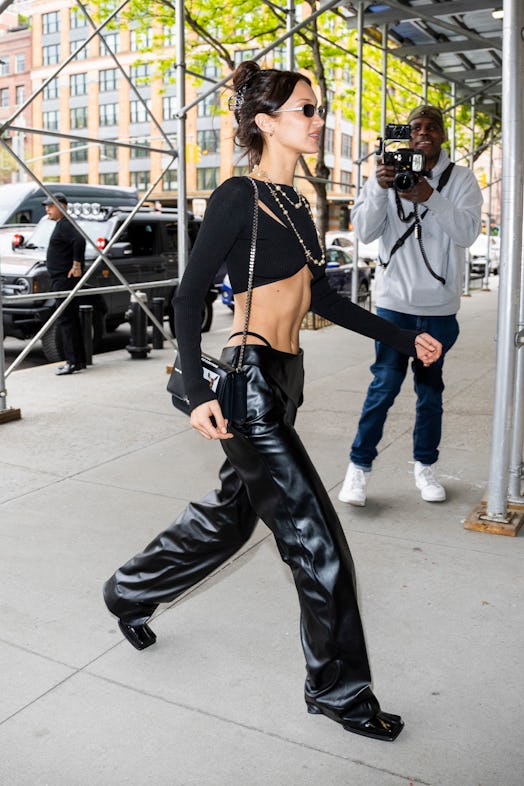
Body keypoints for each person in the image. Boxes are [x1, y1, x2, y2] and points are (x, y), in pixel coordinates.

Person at [103, 62, 442, 742]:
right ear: (265, 122)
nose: (318, 121)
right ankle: (339, 693)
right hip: (248, 384)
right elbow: (189, 296)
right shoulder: (240, 196)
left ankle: (128, 590)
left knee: (231, 520)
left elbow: (320, 300)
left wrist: (402, 339)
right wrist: (199, 394)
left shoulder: (296, 205)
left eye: (317, 110)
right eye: (305, 111)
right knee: (319, 546)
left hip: (285, 382)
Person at [339, 105, 482, 507]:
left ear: (442, 135)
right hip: (393, 305)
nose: (423, 134)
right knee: (383, 387)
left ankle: (425, 466)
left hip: (438, 308)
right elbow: (365, 231)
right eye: (416, 128)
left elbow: (468, 232)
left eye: (431, 127)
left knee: (430, 392)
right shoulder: (383, 172)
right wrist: (383, 188)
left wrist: (430, 197)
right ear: (408, 135)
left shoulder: (461, 179)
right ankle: (358, 469)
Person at [43, 192, 86, 376]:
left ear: (62, 206)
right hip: (62, 279)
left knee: (66, 321)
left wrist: (77, 265)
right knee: (71, 320)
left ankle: (72, 361)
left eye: (51, 206)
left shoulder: (66, 224)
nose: (47, 209)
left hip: (63, 280)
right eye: (46, 206)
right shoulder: (63, 224)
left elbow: (80, 241)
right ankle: (79, 360)